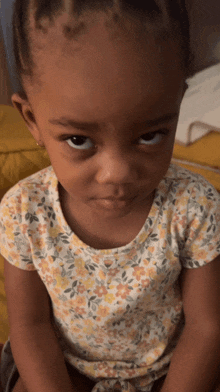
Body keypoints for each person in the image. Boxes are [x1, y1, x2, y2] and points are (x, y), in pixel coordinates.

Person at [0, 0, 220, 391]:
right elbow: (30, 327)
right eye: (79, 140)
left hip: (168, 368)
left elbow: (206, 328)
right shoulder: (23, 211)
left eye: (150, 135)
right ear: (32, 120)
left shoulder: (195, 206)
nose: (117, 173)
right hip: (67, 368)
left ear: (176, 105)